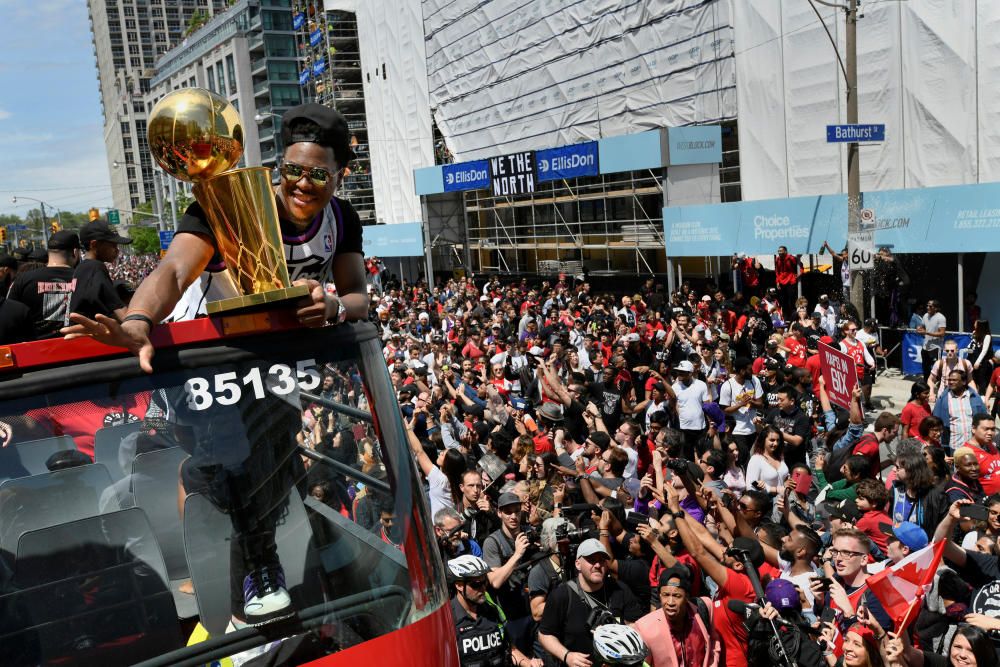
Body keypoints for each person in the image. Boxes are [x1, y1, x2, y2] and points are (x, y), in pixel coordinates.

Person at [63, 102, 370, 371]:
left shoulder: (342, 218)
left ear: (340, 175)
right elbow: (174, 270)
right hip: (204, 354)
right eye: (292, 170)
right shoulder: (226, 207)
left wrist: (333, 307)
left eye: (318, 175)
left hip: (273, 358)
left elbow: (357, 294)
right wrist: (137, 321)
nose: (302, 184)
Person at [537, 539, 644, 667]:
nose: (598, 565)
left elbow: (635, 626)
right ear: (578, 564)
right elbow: (544, 635)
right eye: (592, 560)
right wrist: (566, 656)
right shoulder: (561, 595)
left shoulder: (620, 589)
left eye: (602, 560)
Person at [447, 554, 539, 667]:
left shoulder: (492, 611)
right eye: (476, 584)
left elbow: (509, 648)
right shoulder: (447, 619)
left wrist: (528, 663)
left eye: (484, 582)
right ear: (459, 585)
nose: (483, 588)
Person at [634, 565, 720, 667]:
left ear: (687, 596)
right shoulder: (644, 628)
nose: (670, 602)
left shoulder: (704, 607)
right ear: (660, 595)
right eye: (666, 595)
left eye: (677, 596)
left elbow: (714, 642)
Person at [8, 230, 80, 340]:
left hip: (34, 349)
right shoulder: (84, 278)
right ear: (75, 252)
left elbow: (11, 314)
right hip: (77, 344)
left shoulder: (24, 279)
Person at [69, 219, 132, 321]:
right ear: (94, 244)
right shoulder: (95, 267)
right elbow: (120, 310)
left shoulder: (84, 267)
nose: (117, 250)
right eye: (112, 245)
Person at [718, 357, 763, 468]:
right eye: (749, 369)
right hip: (737, 430)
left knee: (749, 458)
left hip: (752, 429)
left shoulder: (754, 381)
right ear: (742, 371)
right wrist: (740, 404)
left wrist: (750, 401)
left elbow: (761, 404)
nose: (752, 371)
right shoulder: (727, 386)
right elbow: (724, 410)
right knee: (744, 459)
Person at [933, 370, 987, 453]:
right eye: (949, 380)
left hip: (974, 445)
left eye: (954, 380)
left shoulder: (974, 397)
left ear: (964, 382)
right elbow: (936, 421)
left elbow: (984, 418)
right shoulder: (943, 399)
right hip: (954, 446)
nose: (950, 382)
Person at [671, 360, 710, 460]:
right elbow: (674, 404)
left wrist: (711, 425)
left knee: (700, 454)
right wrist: (680, 416)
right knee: (686, 456)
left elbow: (707, 406)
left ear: (690, 373)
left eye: (682, 372)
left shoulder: (701, 385)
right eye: (678, 371)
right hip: (683, 428)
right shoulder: (675, 387)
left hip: (700, 427)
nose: (679, 374)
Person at [745, 426, 788, 497]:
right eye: (772, 440)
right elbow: (750, 486)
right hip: (766, 503)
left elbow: (783, 476)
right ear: (763, 440)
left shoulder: (780, 456)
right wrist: (774, 489)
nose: (776, 444)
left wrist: (787, 482)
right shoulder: (756, 459)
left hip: (782, 501)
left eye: (778, 440)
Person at [917, 300, 947, 380]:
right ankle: (926, 385)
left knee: (937, 368)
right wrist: (920, 329)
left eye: (930, 306)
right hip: (925, 346)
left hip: (936, 347)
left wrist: (926, 332)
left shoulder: (941, 317)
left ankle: (940, 385)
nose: (927, 307)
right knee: (925, 368)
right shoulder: (925, 315)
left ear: (936, 308)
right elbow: (923, 327)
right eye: (927, 305)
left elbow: (942, 333)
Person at [967, 320, 994, 392]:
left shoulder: (987, 336)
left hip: (981, 360)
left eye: (976, 323)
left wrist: (978, 361)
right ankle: (973, 393)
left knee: (981, 378)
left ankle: (982, 395)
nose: (974, 324)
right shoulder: (975, 333)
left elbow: (984, 350)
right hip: (972, 358)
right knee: (971, 378)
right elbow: (971, 346)